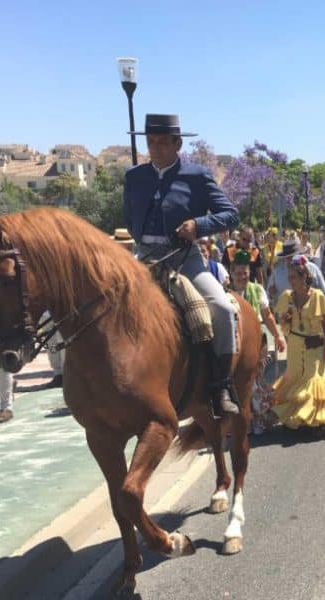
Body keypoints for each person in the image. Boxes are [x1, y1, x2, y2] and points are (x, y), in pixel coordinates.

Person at [123, 113, 240, 417]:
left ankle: (221, 386)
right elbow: (129, 217)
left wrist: (198, 225)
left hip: (186, 261)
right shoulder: (134, 177)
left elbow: (230, 214)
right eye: (151, 142)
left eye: (163, 142)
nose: (156, 148)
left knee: (223, 309)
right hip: (145, 260)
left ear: (177, 144)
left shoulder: (196, 175)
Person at [270, 255, 325, 432]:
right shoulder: (286, 297)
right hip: (294, 344)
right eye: (289, 277)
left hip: (315, 345)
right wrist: (285, 319)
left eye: (294, 277)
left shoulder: (317, 296)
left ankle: (314, 419)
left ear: (304, 277)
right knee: (295, 377)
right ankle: (295, 417)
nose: (290, 281)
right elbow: (282, 321)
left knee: (313, 379)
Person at [228, 250, 286, 434]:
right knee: (237, 383)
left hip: (256, 343)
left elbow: (267, 315)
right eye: (238, 273)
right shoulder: (224, 292)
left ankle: (257, 420)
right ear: (231, 273)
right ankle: (242, 421)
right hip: (233, 345)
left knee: (253, 380)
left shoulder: (257, 289)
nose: (241, 277)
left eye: (245, 273)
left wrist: (277, 335)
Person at [268, 239, 325, 304]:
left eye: (292, 256)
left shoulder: (313, 268)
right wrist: (271, 294)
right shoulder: (277, 272)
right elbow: (269, 296)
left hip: (311, 309)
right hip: (288, 311)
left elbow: (324, 292)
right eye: (287, 257)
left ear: (299, 254)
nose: (290, 259)